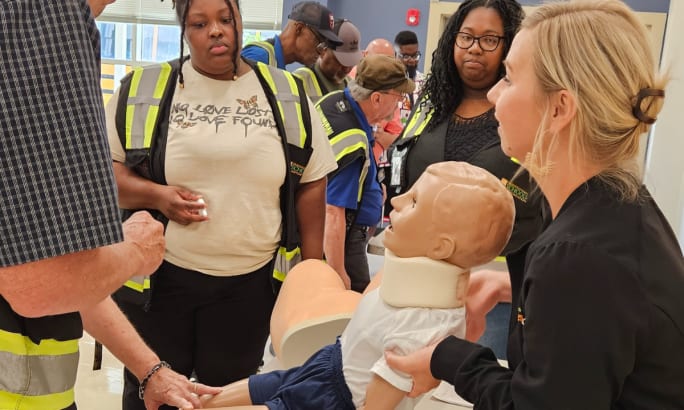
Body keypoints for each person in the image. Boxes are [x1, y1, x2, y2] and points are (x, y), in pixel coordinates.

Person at [385, 1, 684, 408]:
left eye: (508, 78)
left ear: (559, 108)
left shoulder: (578, 254)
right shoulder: (614, 210)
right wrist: (512, 286)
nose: (493, 93)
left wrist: (447, 357)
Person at [105, 0, 338, 408]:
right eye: (200, 23)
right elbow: (106, 177)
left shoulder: (286, 91)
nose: (215, 30)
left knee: (227, 396)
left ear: (239, 23)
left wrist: (312, 273)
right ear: (184, 30)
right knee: (152, 394)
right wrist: (158, 195)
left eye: (225, 20)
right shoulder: (144, 88)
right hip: (160, 284)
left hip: (250, 285)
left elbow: (312, 181)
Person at [0, 1, 220, 409]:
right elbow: (39, 281)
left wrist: (149, 368)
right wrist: (136, 250)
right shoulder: (42, 21)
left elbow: (51, 264)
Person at [200, 161, 516, 410]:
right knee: (202, 399)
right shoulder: (405, 287)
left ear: (440, 247)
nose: (397, 199)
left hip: (332, 399)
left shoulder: (421, 323)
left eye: (415, 202)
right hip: (328, 363)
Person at [317, 54, 414, 292]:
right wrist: (338, 271)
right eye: (398, 95)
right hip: (346, 242)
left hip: (337, 234)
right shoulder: (352, 140)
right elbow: (333, 211)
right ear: (377, 98)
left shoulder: (334, 101)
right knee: (353, 310)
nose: (400, 102)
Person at [241, 1, 341, 69]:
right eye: (319, 41)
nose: (321, 52)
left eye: (325, 46)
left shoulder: (279, 67)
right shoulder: (258, 57)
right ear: (299, 28)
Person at [294, 19, 363, 104]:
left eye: (351, 61)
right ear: (322, 50)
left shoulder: (352, 86)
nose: (347, 69)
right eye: (342, 61)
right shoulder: (299, 81)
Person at [393, 30, 426, 124]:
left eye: (415, 55)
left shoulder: (426, 83)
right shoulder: (388, 84)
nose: (412, 61)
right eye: (406, 56)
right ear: (395, 55)